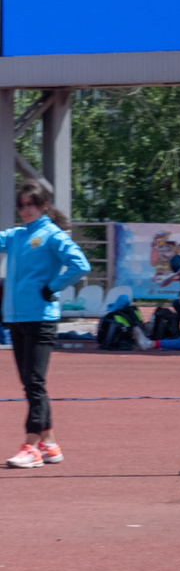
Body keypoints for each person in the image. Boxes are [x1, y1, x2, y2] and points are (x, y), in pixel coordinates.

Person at [2, 179, 91, 468]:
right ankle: (50, 444)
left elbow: (81, 265)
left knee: (35, 383)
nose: (25, 210)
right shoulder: (15, 236)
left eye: (31, 204)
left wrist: (52, 287)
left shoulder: (52, 236)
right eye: (22, 205)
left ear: (44, 206)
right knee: (30, 383)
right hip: (16, 319)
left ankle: (31, 446)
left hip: (41, 319)